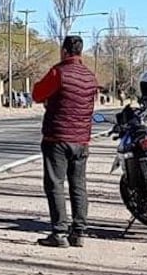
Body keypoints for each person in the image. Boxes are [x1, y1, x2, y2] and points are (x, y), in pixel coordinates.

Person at [32, 35, 98, 248]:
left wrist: (50, 100)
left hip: (57, 138)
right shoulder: (90, 76)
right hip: (82, 140)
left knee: (55, 185)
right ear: (80, 51)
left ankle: (59, 233)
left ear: (64, 51)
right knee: (79, 185)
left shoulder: (58, 72)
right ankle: (79, 232)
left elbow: (37, 94)